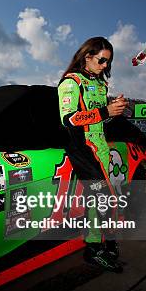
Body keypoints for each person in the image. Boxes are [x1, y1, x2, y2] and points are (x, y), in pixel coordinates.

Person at [57, 37, 128, 273]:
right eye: (101, 60)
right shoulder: (71, 83)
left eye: (108, 62)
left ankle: (102, 244)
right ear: (87, 56)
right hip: (82, 150)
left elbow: (99, 118)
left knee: (101, 201)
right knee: (102, 200)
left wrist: (112, 110)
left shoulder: (100, 84)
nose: (105, 66)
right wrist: (105, 110)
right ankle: (95, 249)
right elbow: (70, 120)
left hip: (101, 148)